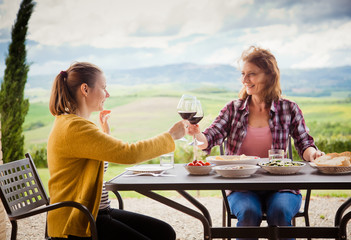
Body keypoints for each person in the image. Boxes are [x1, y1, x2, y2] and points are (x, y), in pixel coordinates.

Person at [187, 46, 324, 240]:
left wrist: (314, 154)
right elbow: (210, 138)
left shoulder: (289, 108)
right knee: (250, 213)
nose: (244, 80)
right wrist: (197, 134)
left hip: (281, 185)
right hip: (241, 185)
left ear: (269, 76)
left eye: (251, 74)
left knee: (280, 212)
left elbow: (304, 143)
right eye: (243, 74)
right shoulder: (233, 109)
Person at [47, 62, 186, 240]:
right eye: (104, 88)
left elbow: (95, 166)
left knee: (164, 232)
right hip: (79, 222)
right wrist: (170, 136)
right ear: (85, 89)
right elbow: (129, 153)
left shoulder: (71, 123)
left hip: (95, 213)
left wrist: (105, 134)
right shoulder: (75, 128)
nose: (107, 94)